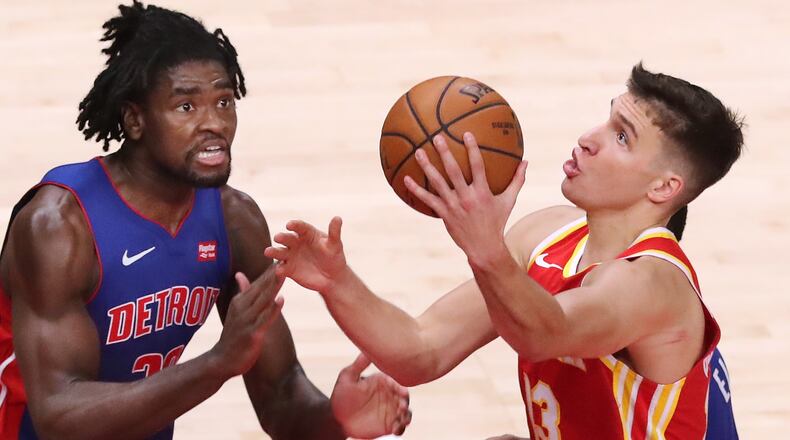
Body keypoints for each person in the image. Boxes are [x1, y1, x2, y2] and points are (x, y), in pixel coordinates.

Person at [0, 2, 411, 439]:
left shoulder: (234, 221)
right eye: (186, 107)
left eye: (223, 101)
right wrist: (217, 363)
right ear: (135, 119)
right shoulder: (59, 227)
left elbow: (282, 396)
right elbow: (59, 418)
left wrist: (337, 419)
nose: (213, 123)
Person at [266, 63, 744, 439]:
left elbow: (547, 332)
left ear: (664, 186)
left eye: (621, 135)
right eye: (607, 117)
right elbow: (422, 350)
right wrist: (337, 282)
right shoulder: (546, 235)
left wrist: (486, 249)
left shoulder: (653, 283)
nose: (589, 139)